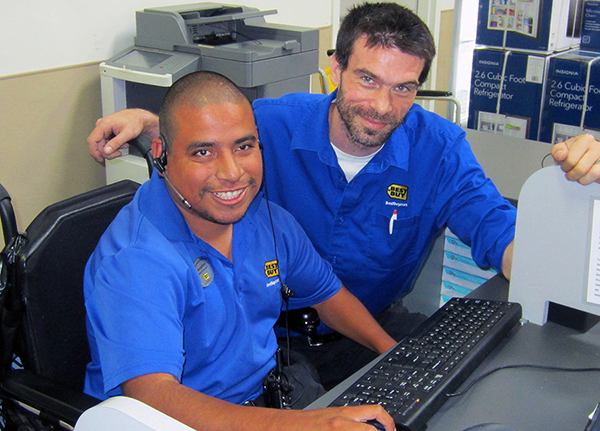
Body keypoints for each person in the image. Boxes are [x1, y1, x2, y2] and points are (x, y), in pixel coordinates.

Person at [86, 2, 600, 389]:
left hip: (362, 324)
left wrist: (576, 197)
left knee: (457, 386)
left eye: (404, 87)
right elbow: (210, 142)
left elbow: (503, 237)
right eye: (368, 79)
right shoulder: (274, 126)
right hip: (271, 338)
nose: (382, 105)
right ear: (336, 67)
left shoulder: (438, 151)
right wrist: (150, 122)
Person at [83, 70, 398, 431]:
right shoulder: (137, 258)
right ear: (161, 155)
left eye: (244, 147)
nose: (232, 172)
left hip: (263, 400)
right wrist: (307, 426)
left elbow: (327, 294)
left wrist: (393, 352)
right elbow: (152, 396)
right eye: (203, 152)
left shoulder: (264, 219)